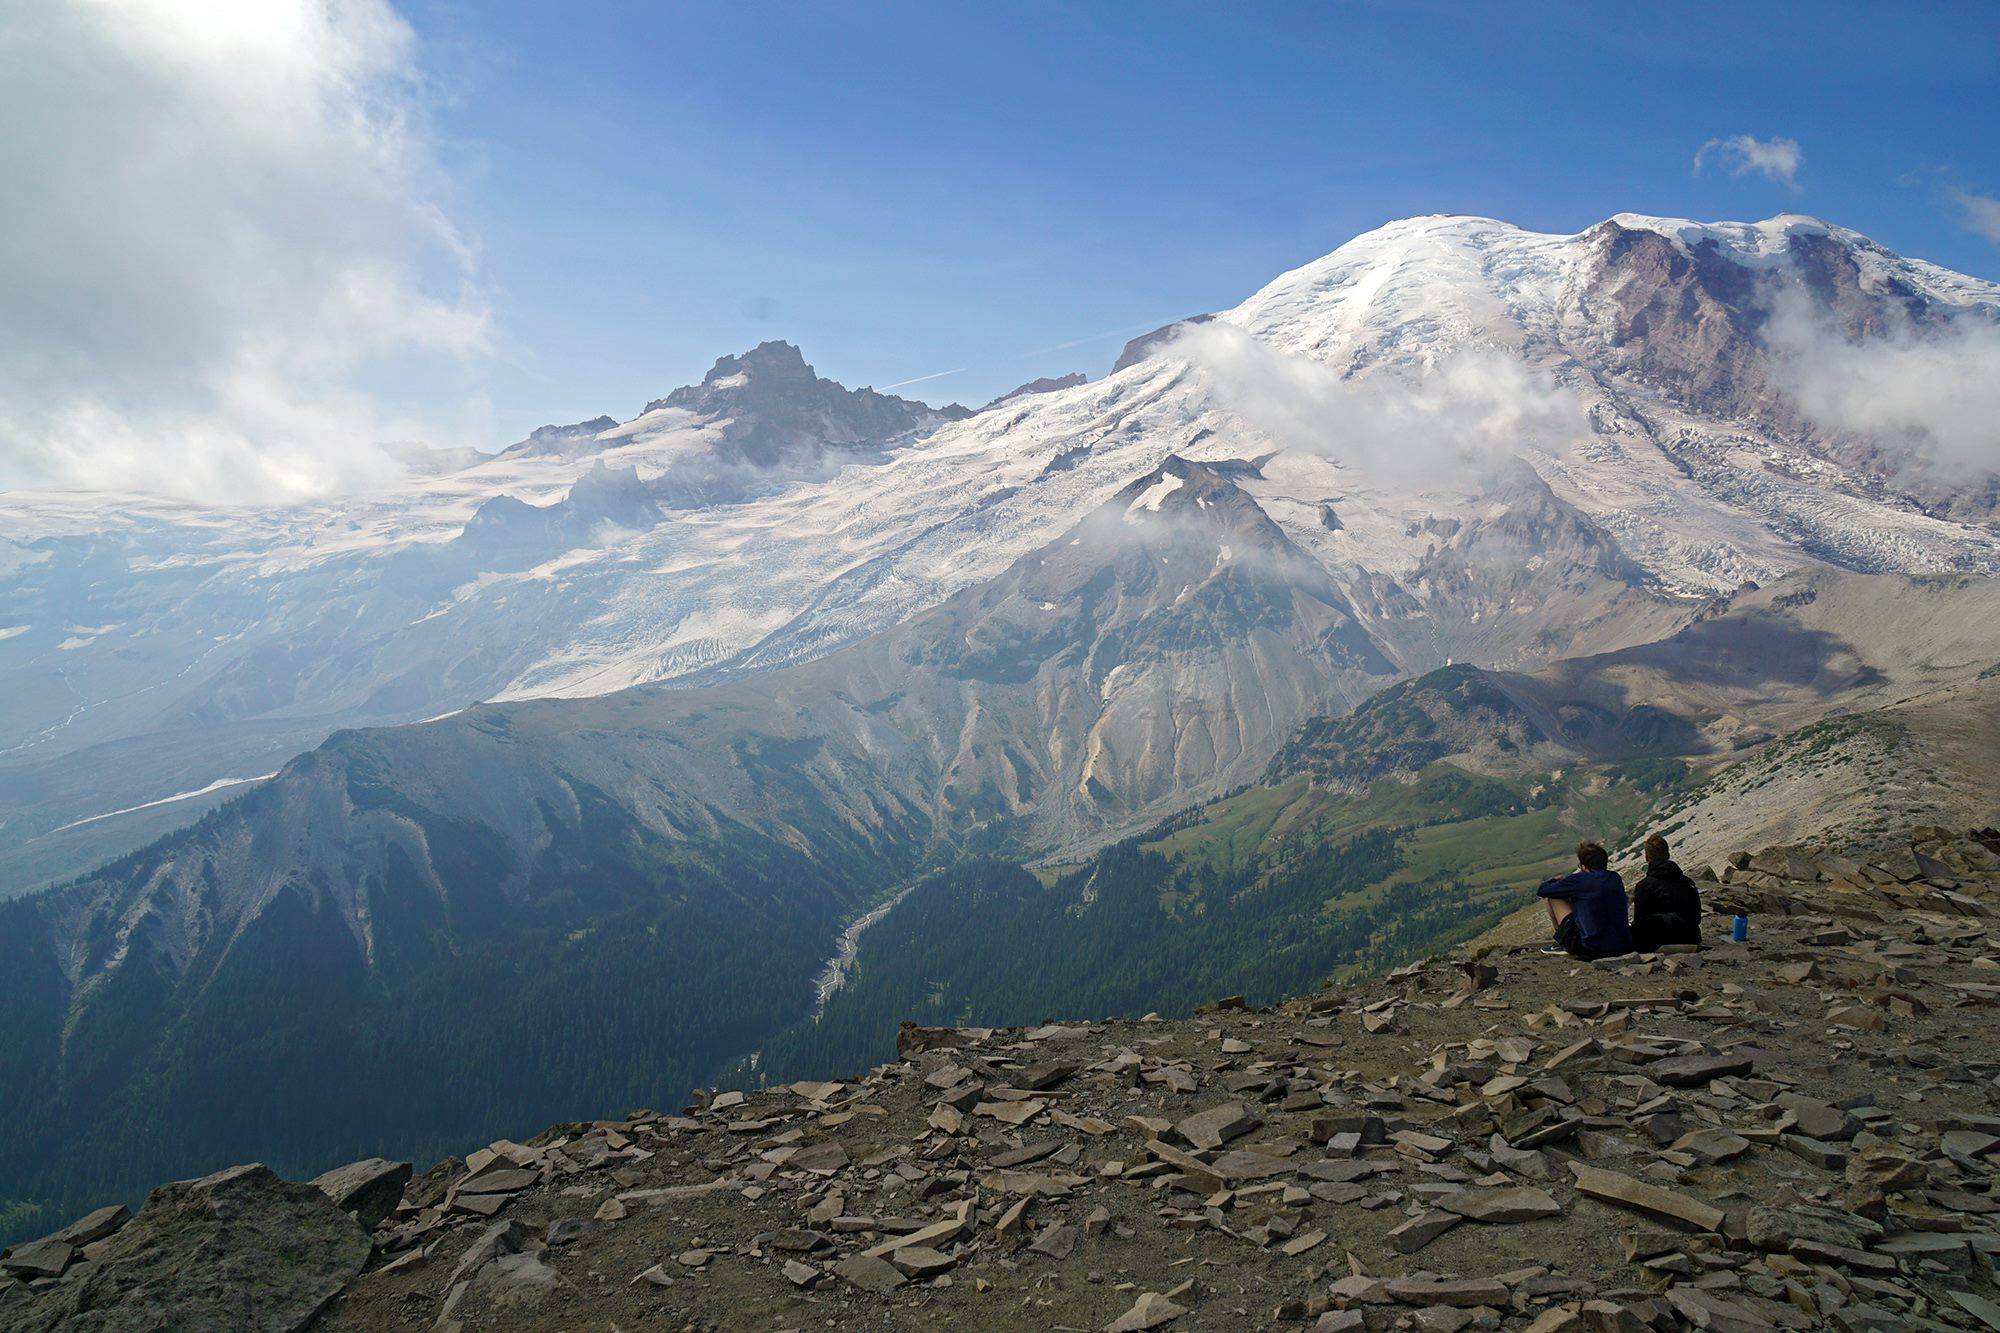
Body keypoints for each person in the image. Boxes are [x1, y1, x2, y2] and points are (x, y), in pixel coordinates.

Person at [1537, 841, 1633, 959]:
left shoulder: (1579, 880)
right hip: (1623, 945)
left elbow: (1543, 891)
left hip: (1592, 948)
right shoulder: (1615, 877)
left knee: (1554, 896)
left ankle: (1562, 942)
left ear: (1583, 866)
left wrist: (1555, 881)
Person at [1629, 834, 1702, 952]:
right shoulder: (1687, 882)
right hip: (1691, 936)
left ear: (1647, 857)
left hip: (1658, 940)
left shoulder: (1644, 886)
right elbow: (1696, 917)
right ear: (1668, 854)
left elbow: (1639, 921)